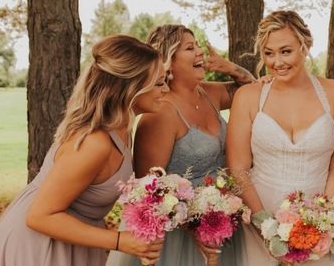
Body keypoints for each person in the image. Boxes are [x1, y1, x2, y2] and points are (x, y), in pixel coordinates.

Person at [0, 35, 168, 266]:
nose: (165, 89)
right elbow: (39, 216)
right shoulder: (94, 143)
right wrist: (120, 240)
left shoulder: (123, 129)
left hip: (78, 238)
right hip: (40, 242)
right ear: (131, 85)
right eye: (159, 82)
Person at [105, 24, 256, 266]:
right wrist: (195, 227)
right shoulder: (159, 113)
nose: (199, 52)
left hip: (221, 224)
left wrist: (231, 68)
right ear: (169, 62)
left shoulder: (209, 93)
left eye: (197, 45)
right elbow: (150, 191)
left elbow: (253, 92)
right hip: (178, 235)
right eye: (190, 47)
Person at [226, 10, 334, 266]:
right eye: (269, 53)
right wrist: (265, 225)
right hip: (259, 215)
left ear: (305, 46)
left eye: (286, 51)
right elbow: (238, 167)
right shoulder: (248, 97)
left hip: (316, 223)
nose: (277, 62)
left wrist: (323, 220)